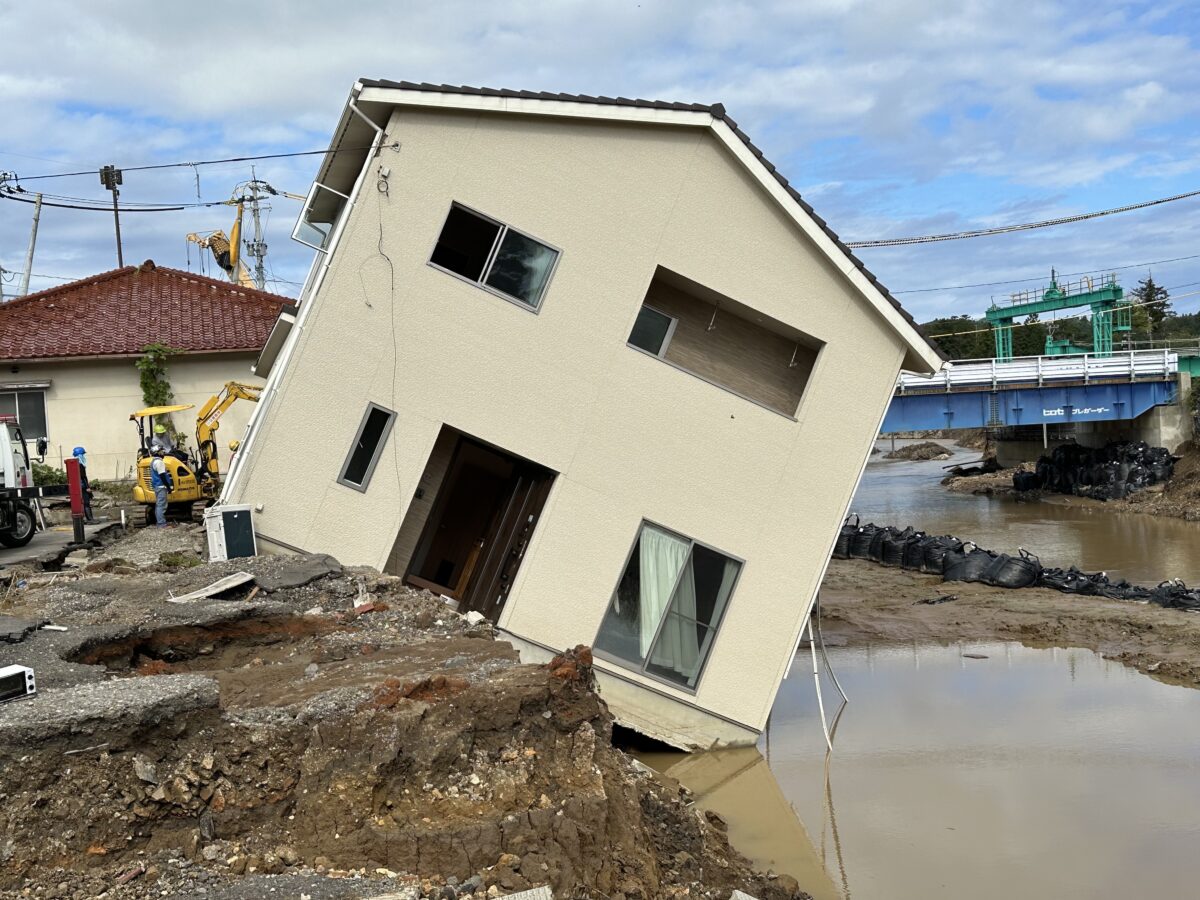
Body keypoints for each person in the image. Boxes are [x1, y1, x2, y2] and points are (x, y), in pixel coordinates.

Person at [149, 445, 174, 528]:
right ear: (158, 452)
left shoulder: (153, 461)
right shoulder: (159, 462)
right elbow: (162, 475)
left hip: (157, 486)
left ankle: (160, 523)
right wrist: (168, 486)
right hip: (161, 486)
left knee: (159, 505)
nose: (163, 452)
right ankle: (161, 524)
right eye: (162, 451)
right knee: (161, 505)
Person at [71, 446, 96, 523]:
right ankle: (90, 519)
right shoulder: (80, 464)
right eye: (83, 454)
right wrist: (87, 487)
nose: (84, 456)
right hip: (83, 486)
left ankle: (84, 519)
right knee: (86, 503)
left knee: (81, 503)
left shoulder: (74, 464)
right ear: (80, 455)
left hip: (78, 486)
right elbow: (83, 477)